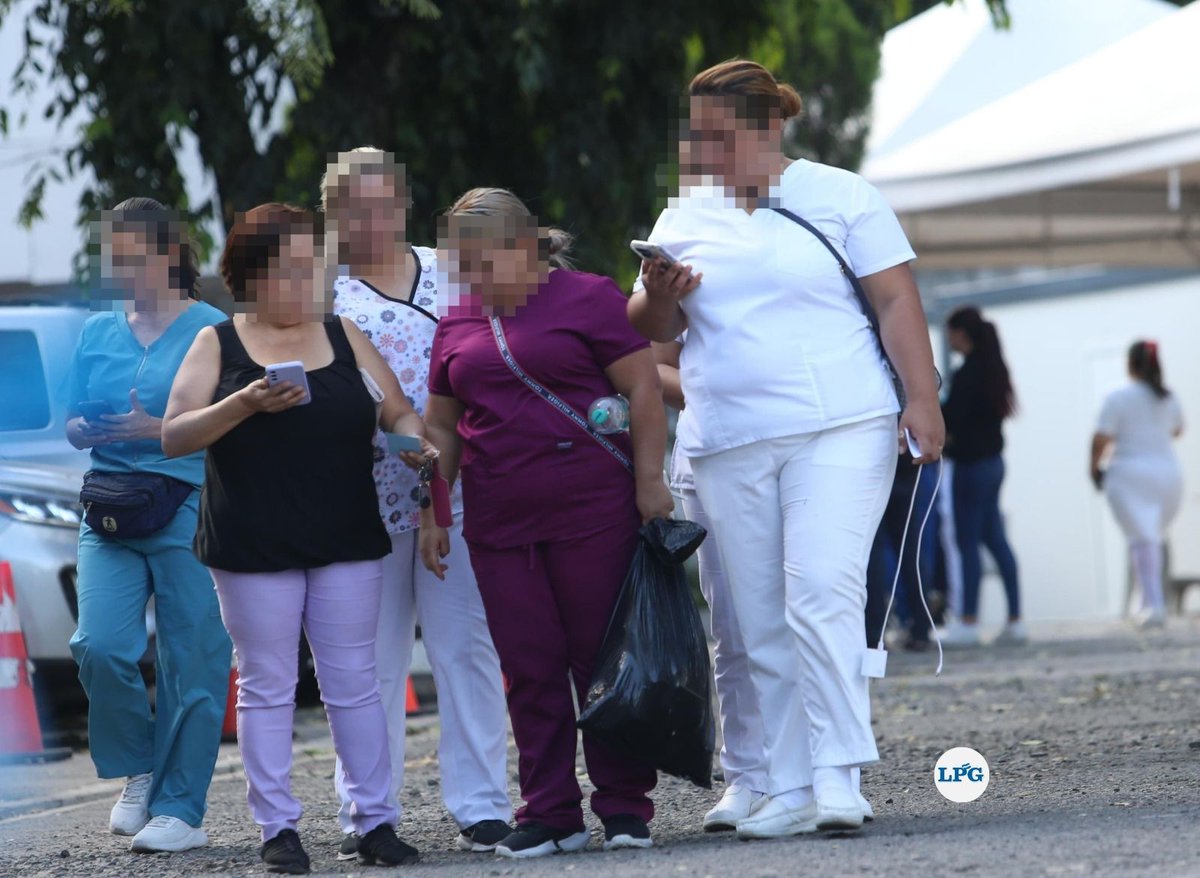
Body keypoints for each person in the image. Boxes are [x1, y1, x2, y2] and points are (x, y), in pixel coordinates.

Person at [628, 59, 943, 839]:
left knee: (821, 591)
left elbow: (896, 296)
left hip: (841, 422)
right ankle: (789, 785)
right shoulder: (682, 215)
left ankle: (838, 775)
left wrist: (922, 395)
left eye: (719, 135)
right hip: (729, 434)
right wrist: (658, 294)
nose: (702, 150)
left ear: (769, 127)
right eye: (695, 135)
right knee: (758, 615)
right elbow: (651, 328)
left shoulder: (842, 195)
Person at [162, 203, 428, 874]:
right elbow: (174, 434)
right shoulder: (217, 343)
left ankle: (375, 822)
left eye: (314, 267)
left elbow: (393, 407)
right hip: (252, 541)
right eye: (290, 270)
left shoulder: (344, 334)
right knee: (267, 684)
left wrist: (411, 443)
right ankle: (277, 829)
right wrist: (243, 403)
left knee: (355, 683)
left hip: (345, 532)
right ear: (250, 276)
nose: (306, 283)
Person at [421, 187, 674, 859]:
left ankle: (623, 806)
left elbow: (643, 389)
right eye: (461, 264)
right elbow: (442, 427)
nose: (470, 278)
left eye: (480, 262)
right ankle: (551, 810)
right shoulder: (457, 321)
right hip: (501, 519)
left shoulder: (588, 297)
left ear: (522, 248)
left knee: (601, 661)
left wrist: (651, 482)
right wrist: (434, 510)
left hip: (594, 511)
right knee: (528, 665)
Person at [321, 148, 513, 857]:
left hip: (460, 489)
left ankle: (483, 805)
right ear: (333, 216)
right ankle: (368, 813)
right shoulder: (323, 296)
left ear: (403, 202)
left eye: (380, 203)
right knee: (369, 663)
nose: (367, 219)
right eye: (351, 207)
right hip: (360, 497)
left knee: (467, 648)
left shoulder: (454, 270)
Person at [62, 198, 230, 854]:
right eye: (114, 256)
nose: (120, 267)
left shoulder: (212, 329)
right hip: (109, 503)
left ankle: (182, 809)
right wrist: (89, 427)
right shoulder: (97, 331)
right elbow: (73, 418)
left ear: (167, 254)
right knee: (97, 644)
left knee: (193, 656)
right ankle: (139, 769)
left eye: (132, 254)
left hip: (189, 500)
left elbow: (232, 424)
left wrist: (159, 431)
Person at [652, 338, 771, 829]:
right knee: (733, 626)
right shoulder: (678, 256)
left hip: (813, 447)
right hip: (712, 453)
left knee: (816, 609)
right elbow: (657, 365)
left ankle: (829, 770)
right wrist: (719, 396)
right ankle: (746, 775)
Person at [940, 306, 1024, 648]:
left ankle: (969, 620)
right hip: (994, 464)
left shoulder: (966, 375)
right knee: (996, 541)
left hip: (972, 467)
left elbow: (951, 421)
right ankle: (1016, 620)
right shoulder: (993, 369)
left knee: (968, 542)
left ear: (962, 334)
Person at [1091, 340, 1185, 627]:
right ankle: (1147, 601)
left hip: (1129, 474)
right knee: (1151, 537)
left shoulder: (1117, 396)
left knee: (1141, 539)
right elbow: (1178, 429)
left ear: (1130, 364)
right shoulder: (1168, 398)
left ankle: (1153, 603)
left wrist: (1094, 469)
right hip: (1168, 475)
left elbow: (1101, 439)